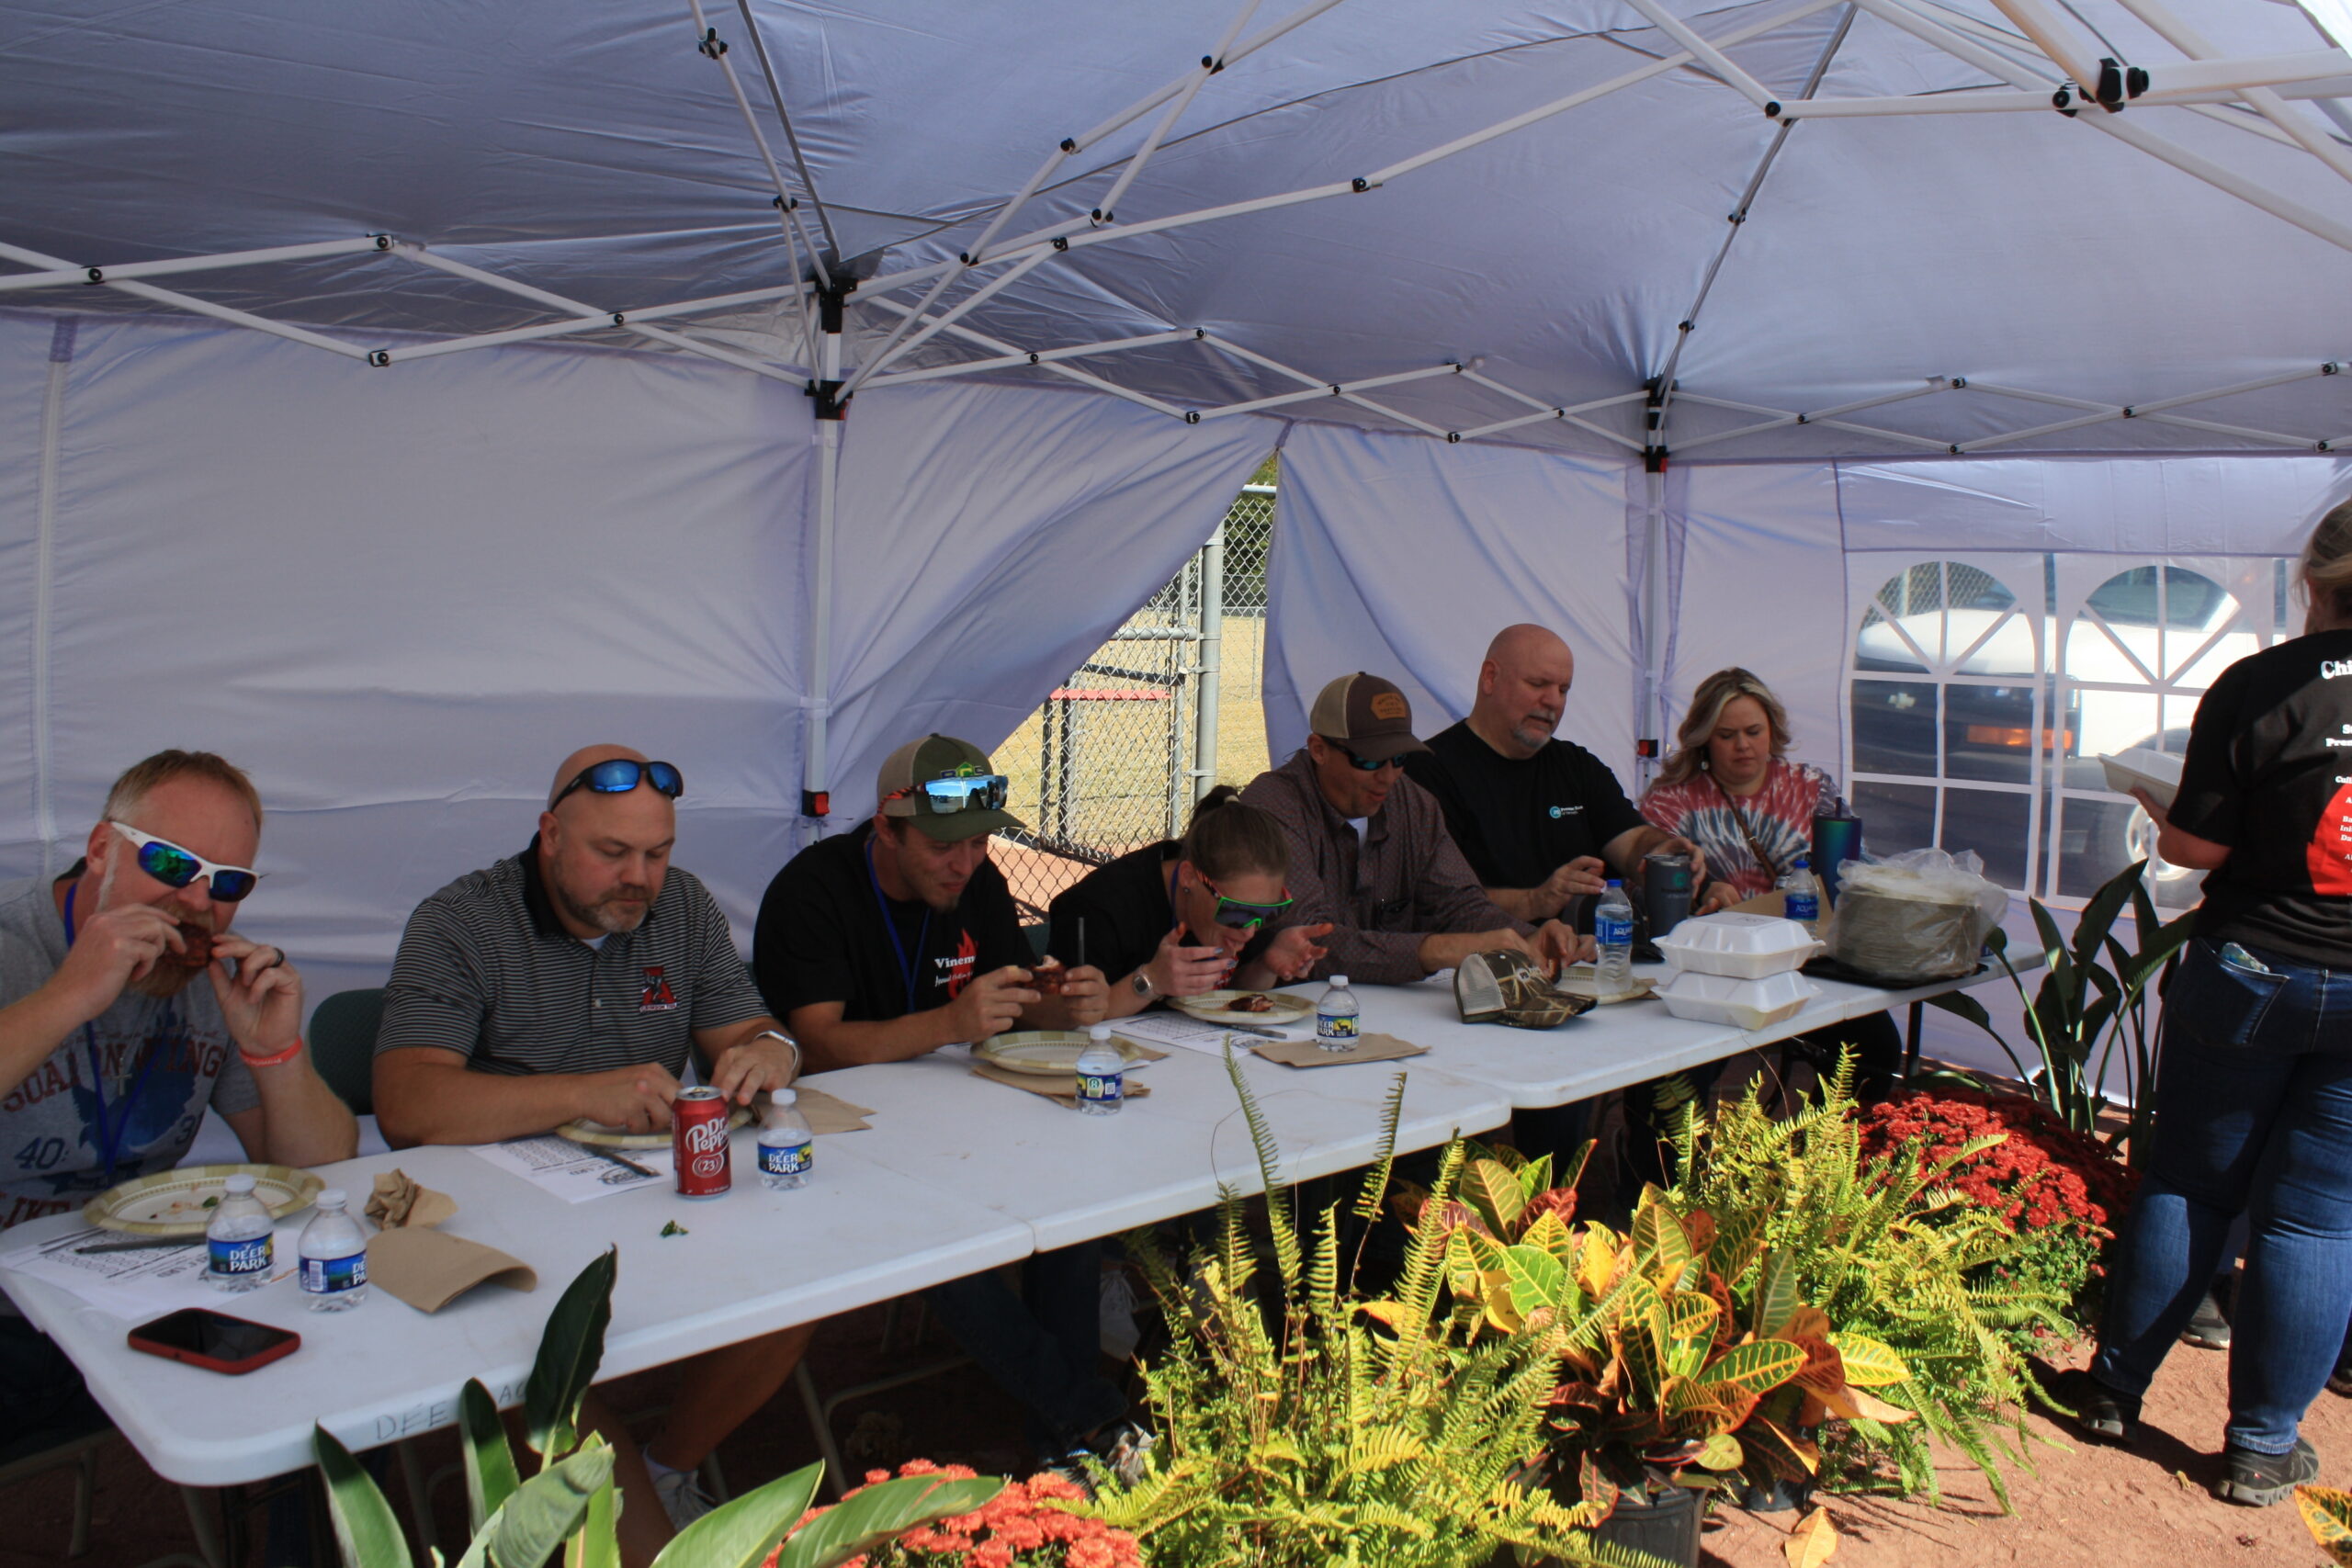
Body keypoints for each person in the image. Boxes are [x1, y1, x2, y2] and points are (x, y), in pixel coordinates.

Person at [373, 746, 807, 1563]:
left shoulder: (682, 906)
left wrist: (771, 1052)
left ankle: (667, 1468)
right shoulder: (460, 920)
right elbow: (407, 1104)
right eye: (612, 852)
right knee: (545, 1363)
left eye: (657, 852)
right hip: (503, 1223)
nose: (639, 877)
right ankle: (639, 1537)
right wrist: (581, 1092)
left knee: (800, 1285)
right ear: (549, 836)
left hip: (651, 1201)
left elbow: (752, 1029)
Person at [2065, 502, 2352, 1507]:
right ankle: (2262, 1448)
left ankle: (2112, 1394)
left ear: (2312, 581)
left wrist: (2161, 810)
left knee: (2190, 1183)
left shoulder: (2261, 684)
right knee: (2317, 1222)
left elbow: (2193, 849)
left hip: (2253, 968)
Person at [753, 736, 1140, 1474]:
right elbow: (815, 1047)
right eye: (941, 845)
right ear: (886, 827)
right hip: (832, 1137)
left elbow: (1011, 1003)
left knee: (1068, 1198)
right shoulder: (814, 890)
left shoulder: (976, 880)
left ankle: (1066, 1439)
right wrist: (949, 1022)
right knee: (935, 1235)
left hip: (955, 1120)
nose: (964, 863)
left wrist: (1067, 1003)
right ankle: (1088, 1420)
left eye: (979, 841)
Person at [0, 751, 357, 1443]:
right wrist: (70, 994)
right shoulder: (14, 943)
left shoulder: (209, 977)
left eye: (227, 881)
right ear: (100, 849)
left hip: (150, 1284)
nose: (197, 901)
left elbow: (321, 1171)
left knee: (338, 1357)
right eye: (170, 863)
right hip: (11, 1307)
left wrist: (275, 1052)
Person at [1639, 669, 1902, 1101]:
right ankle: (1672, 1147)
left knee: (1874, 1050)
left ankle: (1820, 1140)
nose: (1743, 745)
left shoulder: (1809, 786)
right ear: (1704, 739)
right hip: (1714, 967)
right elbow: (1649, 881)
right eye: (1726, 735)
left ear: (1772, 730)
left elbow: (1854, 866)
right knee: (1680, 1073)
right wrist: (1702, 890)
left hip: (1802, 960)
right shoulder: (1673, 799)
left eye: (1753, 731)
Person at [1240, 671, 1582, 985]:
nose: (1388, 776)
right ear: (1319, 749)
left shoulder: (1412, 803)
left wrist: (1529, 938)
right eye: (1370, 760)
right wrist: (1439, 950)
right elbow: (1310, 943)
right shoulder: (1272, 808)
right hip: (1291, 1012)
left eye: (1400, 758)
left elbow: (1459, 904)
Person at [1404, 624, 1703, 924]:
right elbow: (1431, 899)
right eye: (1537, 684)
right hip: (1489, 952)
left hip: (1591, 951)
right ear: (1490, 677)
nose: (1554, 701)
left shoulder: (1578, 766)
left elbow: (1632, 841)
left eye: (1563, 690)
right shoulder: (1427, 771)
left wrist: (1660, 851)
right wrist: (1534, 901)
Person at [1046, 787, 1330, 1017]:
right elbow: (1065, 1018)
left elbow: (1231, 995)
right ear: (1189, 877)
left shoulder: (1247, 901)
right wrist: (1150, 981)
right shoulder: (1097, 909)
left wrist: (1265, 966)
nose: (1249, 931)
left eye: (1269, 913)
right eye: (1235, 912)